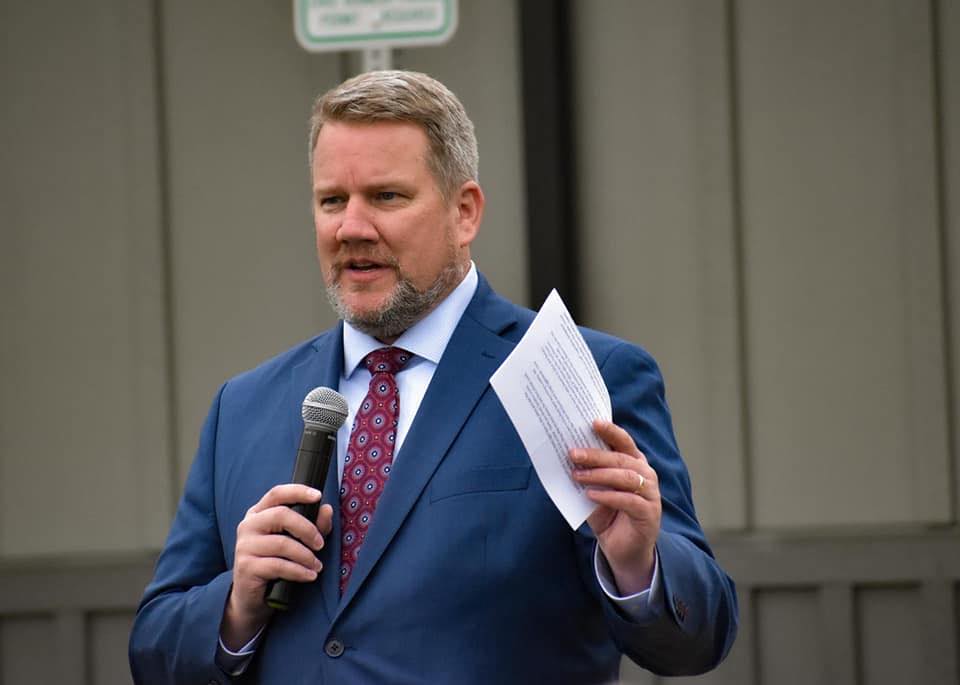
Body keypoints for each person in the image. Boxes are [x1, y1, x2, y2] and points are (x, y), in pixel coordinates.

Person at [129, 70, 737, 684]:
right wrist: (236, 605)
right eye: (332, 200)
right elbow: (153, 651)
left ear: (465, 211)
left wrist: (638, 567)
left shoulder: (580, 373)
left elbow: (697, 641)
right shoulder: (246, 405)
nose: (352, 228)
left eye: (387, 197)